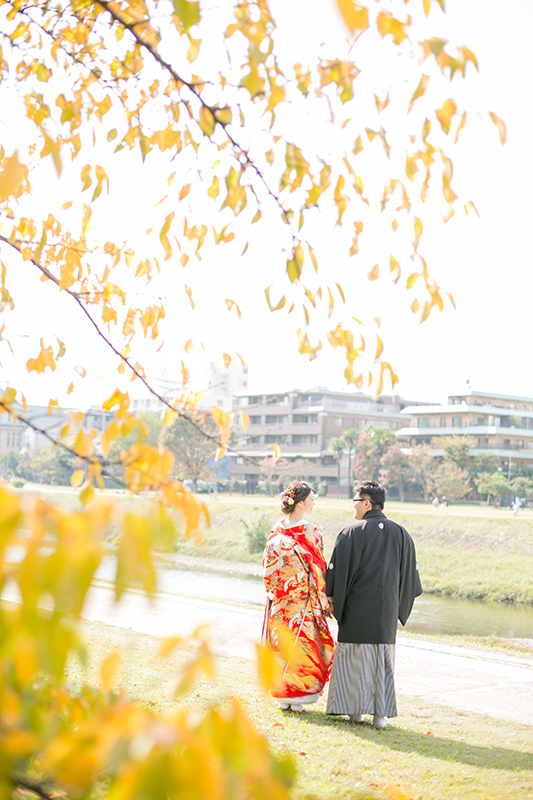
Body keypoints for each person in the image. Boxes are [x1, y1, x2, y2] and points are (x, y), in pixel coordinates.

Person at [326, 480, 422, 728]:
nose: (353, 506)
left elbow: (336, 572)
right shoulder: (401, 533)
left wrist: (333, 600)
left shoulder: (351, 532)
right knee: (382, 660)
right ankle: (381, 715)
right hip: (386, 612)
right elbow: (410, 578)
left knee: (354, 658)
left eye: (355, 501)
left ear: (367, 503)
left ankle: (354, 711)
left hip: (355, 609)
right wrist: (398, 604)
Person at [262, 481, 335, 711]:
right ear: (300, 503)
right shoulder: (310, 532)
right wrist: (325, 601)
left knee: (281, 645)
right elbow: (318, 568)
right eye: (312, 499)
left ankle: (282, 696)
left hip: (279, 600)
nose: (314, 503)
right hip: (302, 602)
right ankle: (297, 698)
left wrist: (274, 591)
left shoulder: (276, 530)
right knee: (301, 646)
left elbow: (267, 565)